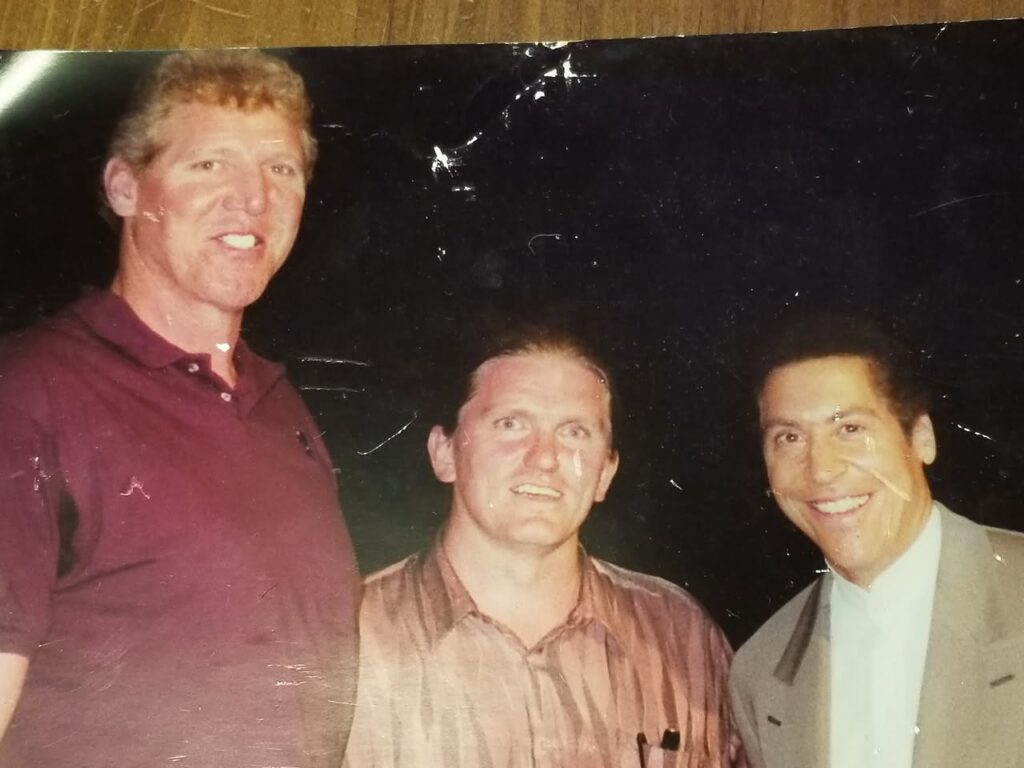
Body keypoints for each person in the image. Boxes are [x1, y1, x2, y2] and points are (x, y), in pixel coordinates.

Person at [0, 50, 359, 767]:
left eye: (280, 170)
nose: (253, 198)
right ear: (126, 187)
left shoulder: (279, 406)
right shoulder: (31, 389)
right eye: (210, 164)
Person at [343, 325, 747, 768]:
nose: (545, 457)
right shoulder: (347, 636)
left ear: (606, 472)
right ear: (445, 453)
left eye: (575, 432)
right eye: (511, 424)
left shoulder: (681, 635)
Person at [729, 315, 1024, 768]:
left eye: (849, 429)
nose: (821, 469)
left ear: (921, 438)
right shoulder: (762, 673)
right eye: (788, 438)